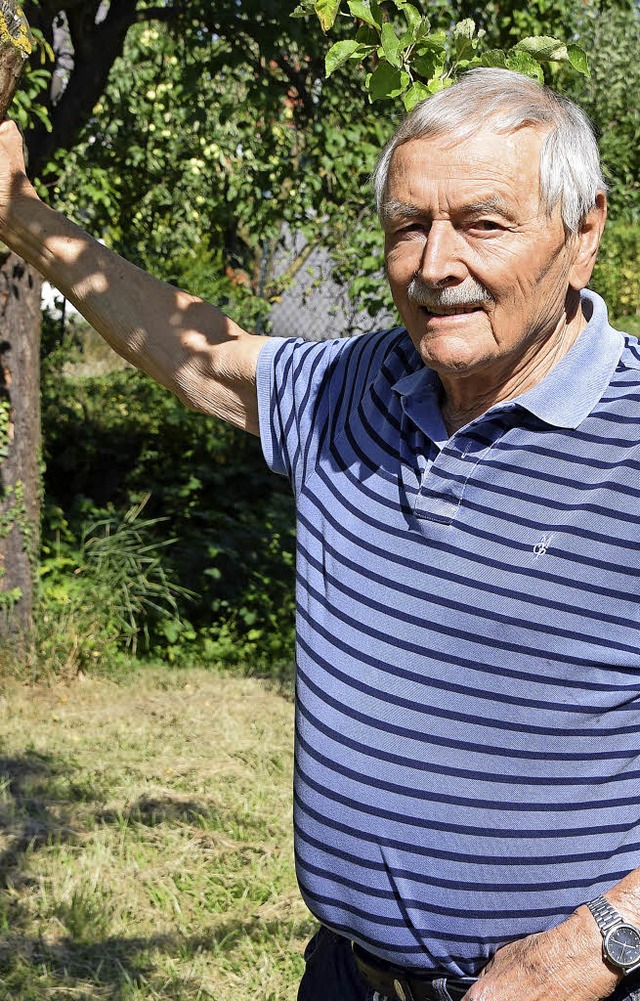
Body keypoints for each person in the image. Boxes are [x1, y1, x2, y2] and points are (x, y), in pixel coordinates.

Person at [1, 66, 640, 1001]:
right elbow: (202, 356)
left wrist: (597, 945)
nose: (435, 264)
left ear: (582, 233)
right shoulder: (357, 387)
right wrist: (19, 215)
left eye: (483, 223)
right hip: (347, 979)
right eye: (409, 226)